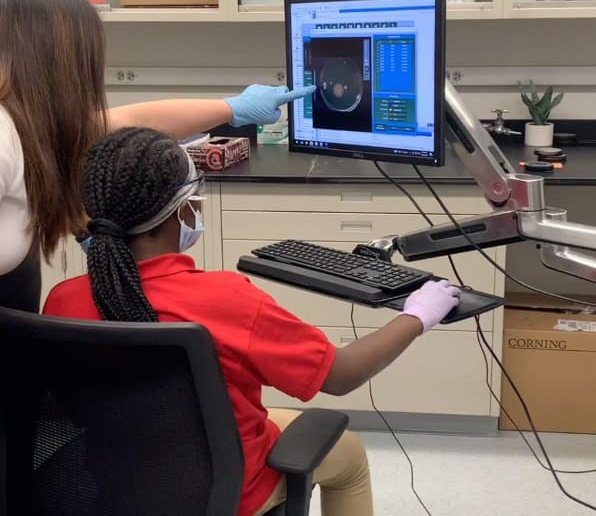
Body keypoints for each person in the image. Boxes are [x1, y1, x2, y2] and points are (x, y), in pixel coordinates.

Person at [42, 127, 461, 516]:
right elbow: (340, 375)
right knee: (349, 455)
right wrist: (416, 316)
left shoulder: (64, 299)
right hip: (228, 492)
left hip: (109, 484)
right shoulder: (225, 299)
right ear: (182, 209)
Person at [0, 0, 314, 312]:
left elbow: (127, 119)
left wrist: (233, 108)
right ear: (61, 66)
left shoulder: (27, 127)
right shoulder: (4, 135)